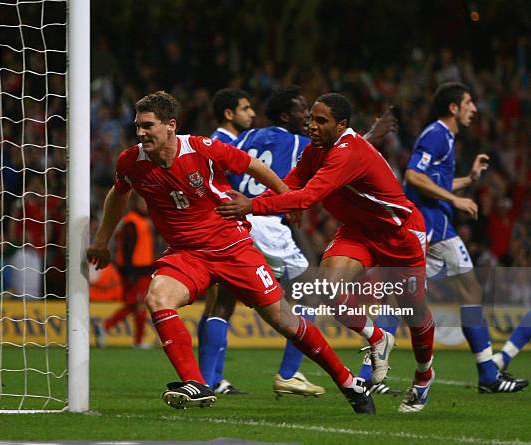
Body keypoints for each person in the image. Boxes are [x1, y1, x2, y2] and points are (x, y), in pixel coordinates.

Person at [87, 91, 376, 414]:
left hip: (232, 247)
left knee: (285, 321)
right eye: (138, 126)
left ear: (171, 126)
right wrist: (101, 240)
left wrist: (287, 198)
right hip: (186, 254)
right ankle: (197, 384)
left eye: (148, 126)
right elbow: (118, 193)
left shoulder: (201, 148)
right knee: (157, 298)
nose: (140, 133)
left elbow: (253, 166)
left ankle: (349, 381)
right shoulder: (131, 161)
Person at [217, 93, 436, 413]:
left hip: (399, 234)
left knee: (415, 314)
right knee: (328, 289)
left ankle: (423, 377)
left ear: (342, 125)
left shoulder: (348, 152)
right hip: (357, 232)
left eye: (321, 121)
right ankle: (377, 336)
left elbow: (307, 197)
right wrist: (253, 208)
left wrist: (251, 205)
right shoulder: (315, 150)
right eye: (312, 119)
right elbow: (289, 185)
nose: (312, 125)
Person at [401, 82, 527, 394]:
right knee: (431, 294)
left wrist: (468, 181)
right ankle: (487, 373)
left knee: (445, 293)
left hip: (434, 224)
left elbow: (434, 181)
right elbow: (413, 176)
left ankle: (487, 373)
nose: (474, 108)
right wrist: (455, 201)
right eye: (469, 102)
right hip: (430, 224)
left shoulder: (445, 137)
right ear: (454, 108)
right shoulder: (437, 134)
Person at [200, 86, 323, 397]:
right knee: (310, 291)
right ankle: (289, 373)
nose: (307, 115)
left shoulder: (244, 138)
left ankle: (203, 382)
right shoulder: (299, 141)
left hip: (234, 221)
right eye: (302, 109)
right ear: (286, 116)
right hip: (264, 220)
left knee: (223, 304)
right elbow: (335, 157)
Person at [195, 88, 256, 395]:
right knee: (221, 305)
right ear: (229, 114)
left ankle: (211, 378)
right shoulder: (219, 145)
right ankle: (210, 380)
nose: (252, 114)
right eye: (246, 109)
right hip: (223, 233)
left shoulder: (227, 143)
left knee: (217, 306)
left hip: (222, 232)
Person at [96, 192, 154, 348]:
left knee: (134, 305)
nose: (145, 205)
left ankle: (105, 327)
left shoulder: (141, 221)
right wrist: (130, 271)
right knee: (139, 305)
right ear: (135, 203)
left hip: (142, 269)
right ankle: (137, 341)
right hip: (135, 270)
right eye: (142, 202)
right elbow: (127, 248)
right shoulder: (132, 222)